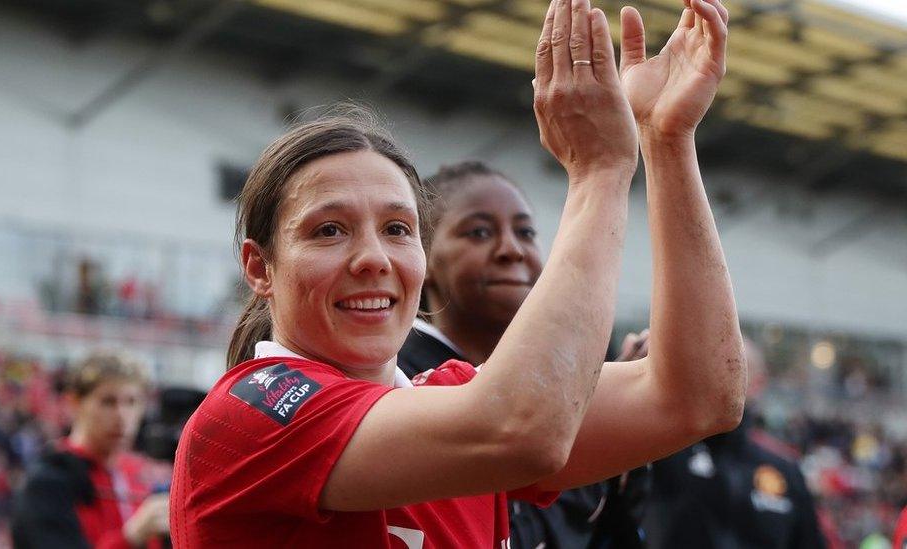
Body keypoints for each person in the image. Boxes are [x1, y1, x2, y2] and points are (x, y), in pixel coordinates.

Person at [170, 0, 746, 546]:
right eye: (329, 230)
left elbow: (698, 395)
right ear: (258, 267)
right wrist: (599, 171)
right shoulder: (252, 414)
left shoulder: (453, 399)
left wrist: (667, 140)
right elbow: (522, 429)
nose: (374, 258)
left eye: (398, 230)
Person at [398, 160, 653, 548]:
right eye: (480, 232)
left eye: (526, 232)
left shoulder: (558, 392)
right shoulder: (394, 382)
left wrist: (618, 422)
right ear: (424, 257)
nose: (511, 249)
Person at [643, 340, 826, 549]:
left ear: (758, 383)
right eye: (712, 366)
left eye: (733, 367)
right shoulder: (663, 453)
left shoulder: (785, 472)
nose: (721, 377)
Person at [12, 352, 171, 549]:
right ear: (74, 403)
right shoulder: (47, 480)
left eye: (131, 402)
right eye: (108, 402)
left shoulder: (141, 476)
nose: (122, 416)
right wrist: (130, 538)